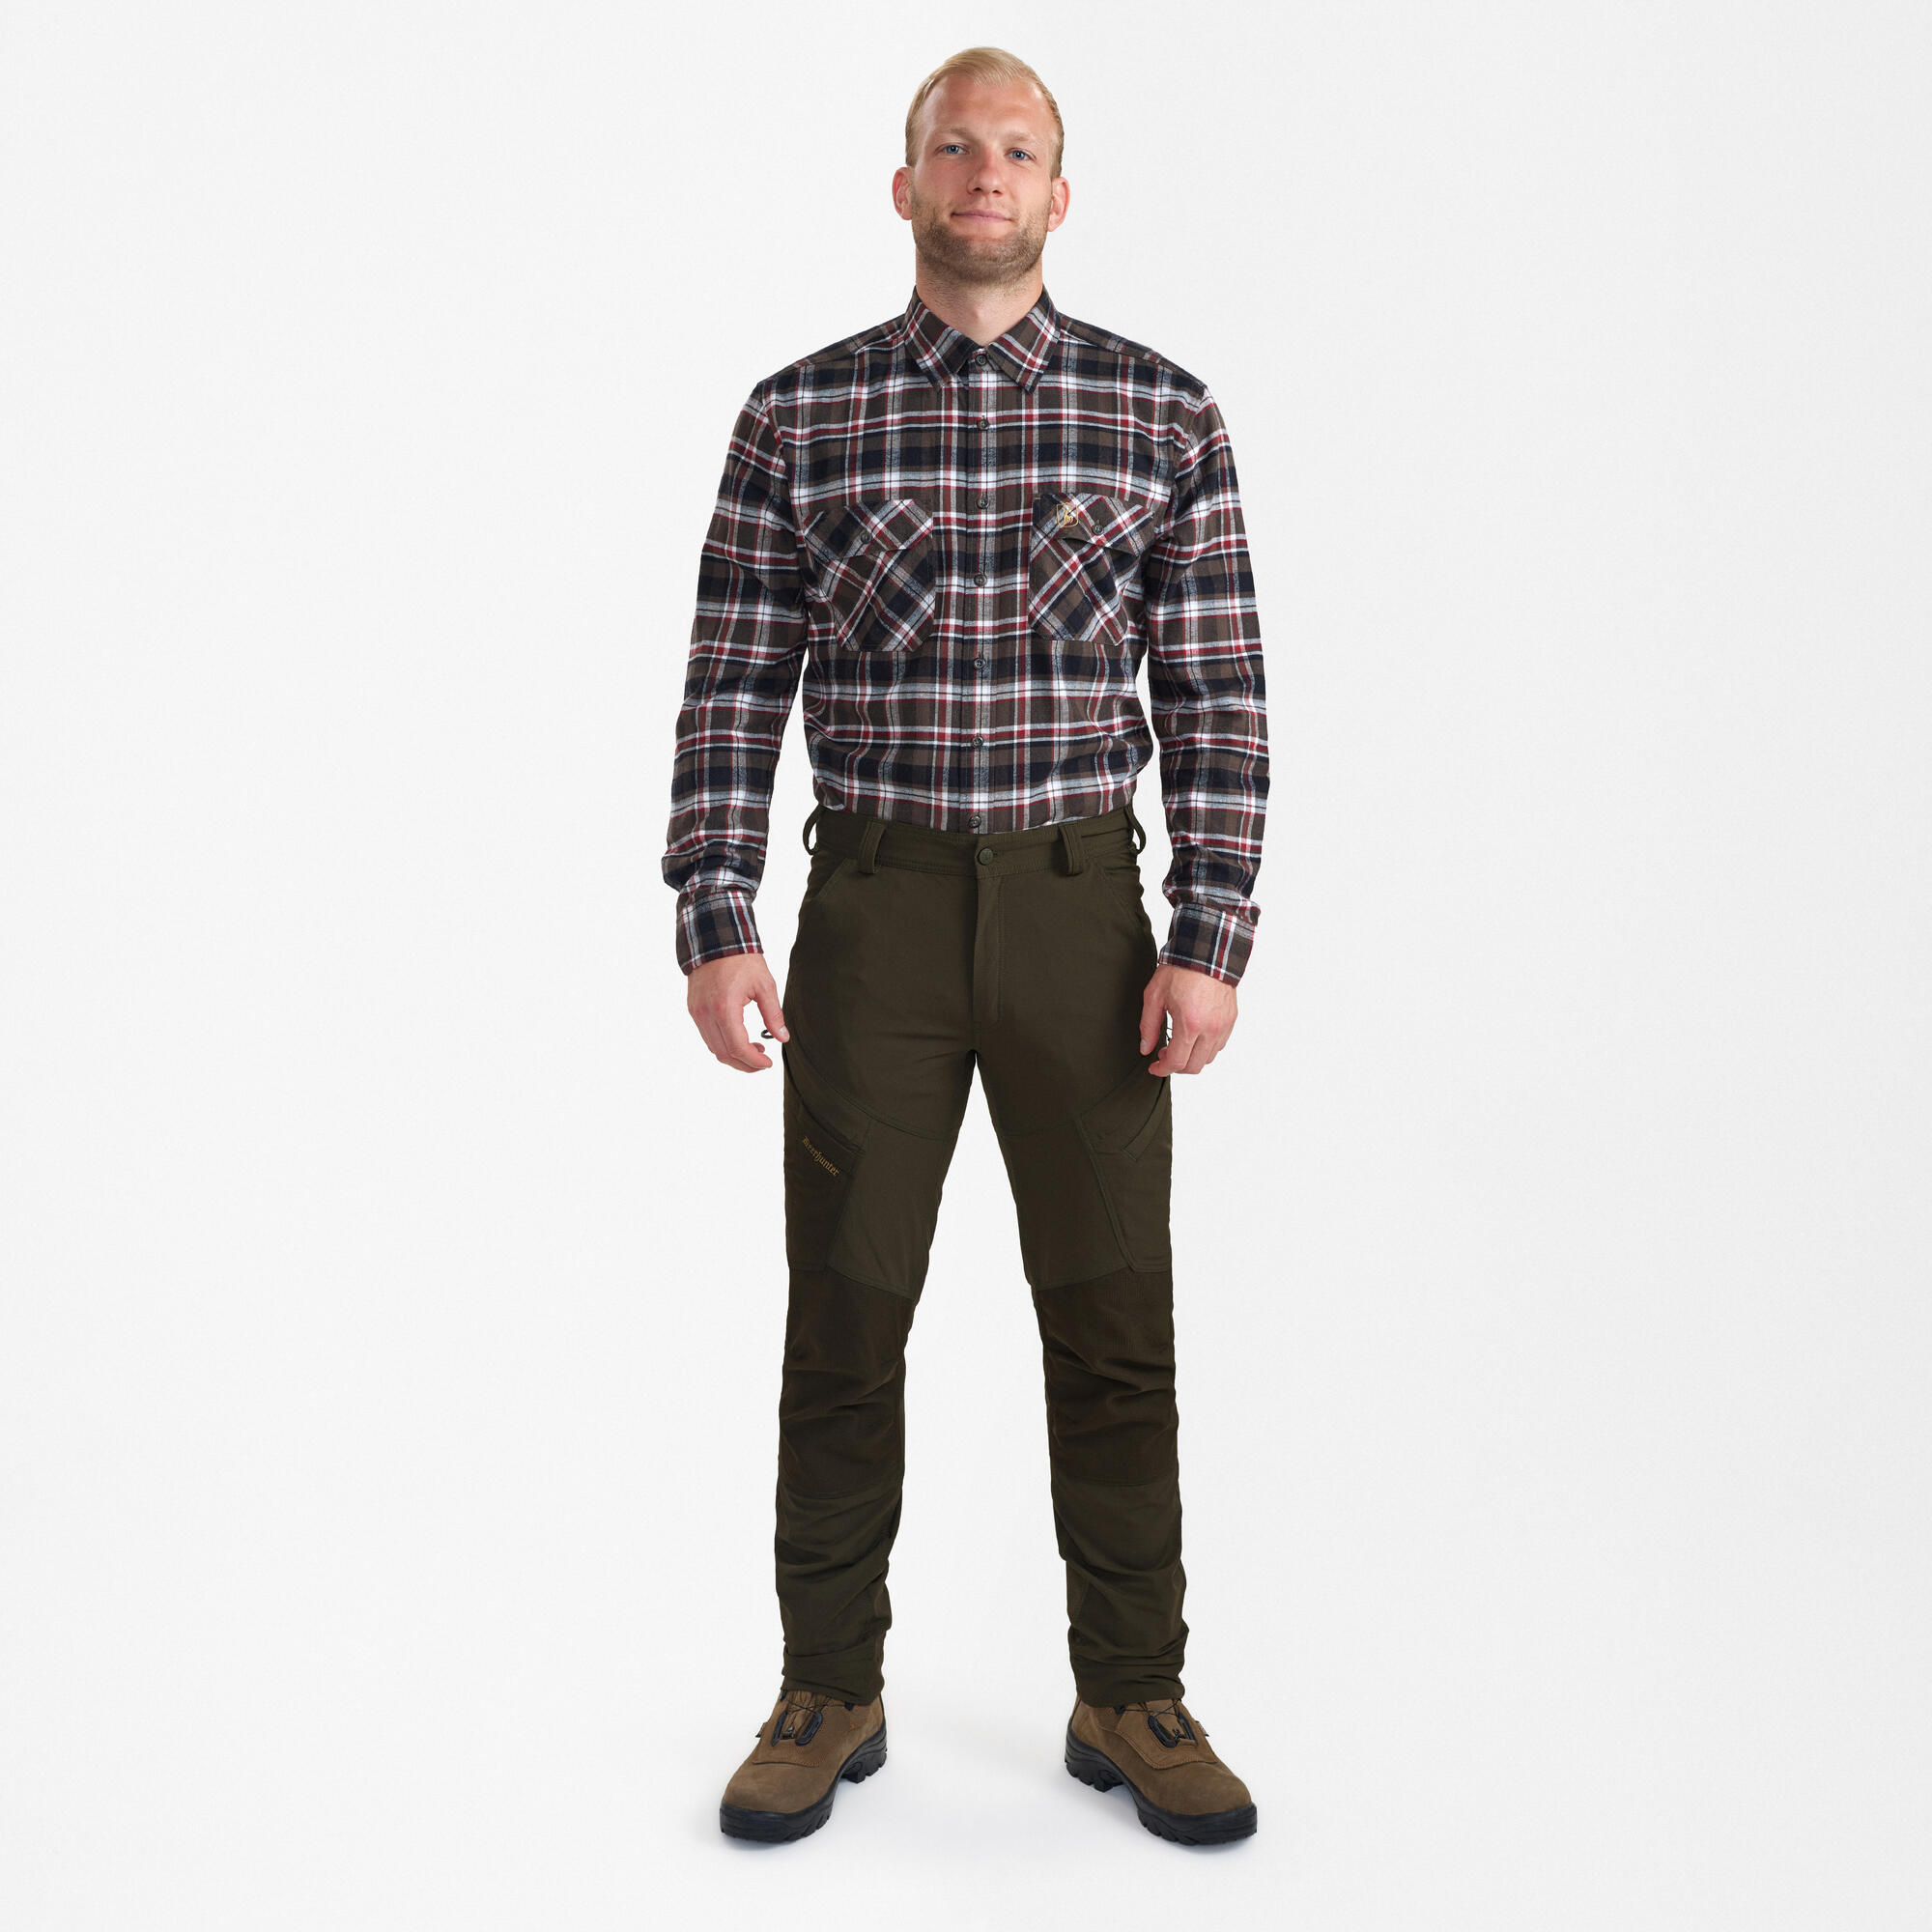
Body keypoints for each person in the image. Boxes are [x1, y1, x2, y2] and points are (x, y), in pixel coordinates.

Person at [662, 45, 1268, 1847]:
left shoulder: (1162, 415)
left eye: (1016, 149)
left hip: (1087, 923)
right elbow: (732, 683)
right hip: (878, 918)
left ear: (1059, 195)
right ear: (906, 184)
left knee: (1114, 1319)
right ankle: (826, 1688)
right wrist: (717, 909)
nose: (983, 172)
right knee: (847, 1317)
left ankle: (1132, 1689)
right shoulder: (801, 420)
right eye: (953, 146)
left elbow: (1218, 694)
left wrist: (1211, 931)